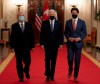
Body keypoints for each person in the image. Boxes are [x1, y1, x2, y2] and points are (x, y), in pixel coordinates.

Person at [10, 12, 35, 82]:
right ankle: (21, 77)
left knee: (28, 62)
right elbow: (12, 37)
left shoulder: (29, 25)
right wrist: (12, 47)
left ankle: (26, 70)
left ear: (24, 16)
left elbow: (31, 36)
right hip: (18, 48)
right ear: (17, 17)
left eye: (22, 15)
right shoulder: (14, 26)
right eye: (20, 16)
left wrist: (32, 46)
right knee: (19, 63)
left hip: (27, 47)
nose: (21, 16)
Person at [40, 9, 63, 82]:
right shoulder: (44, 23)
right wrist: (42, 44)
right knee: (47, 59)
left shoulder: (59, 23)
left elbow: (60, 34)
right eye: (50, 14)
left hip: (55, 45)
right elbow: (42, 34)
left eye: (53, 14)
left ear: (55, 15)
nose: (52, 15)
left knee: (53, 61)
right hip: (47, 45)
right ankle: (47, 74)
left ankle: (52, 75)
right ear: (48, 14)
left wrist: (61, 43)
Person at [64, 7, 87, 82]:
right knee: (70, 59)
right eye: (72, 12)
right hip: (70, 44)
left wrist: (80, 38)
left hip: (78, 45)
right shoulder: (68, 22)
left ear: (77, 13)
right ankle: (70, 69)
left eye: (75, 12)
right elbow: (65, 33)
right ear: (71, 13)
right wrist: (68, 38)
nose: (74, 13)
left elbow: (84, 33)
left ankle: (75, 76)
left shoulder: (82, 22)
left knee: (77, 61)